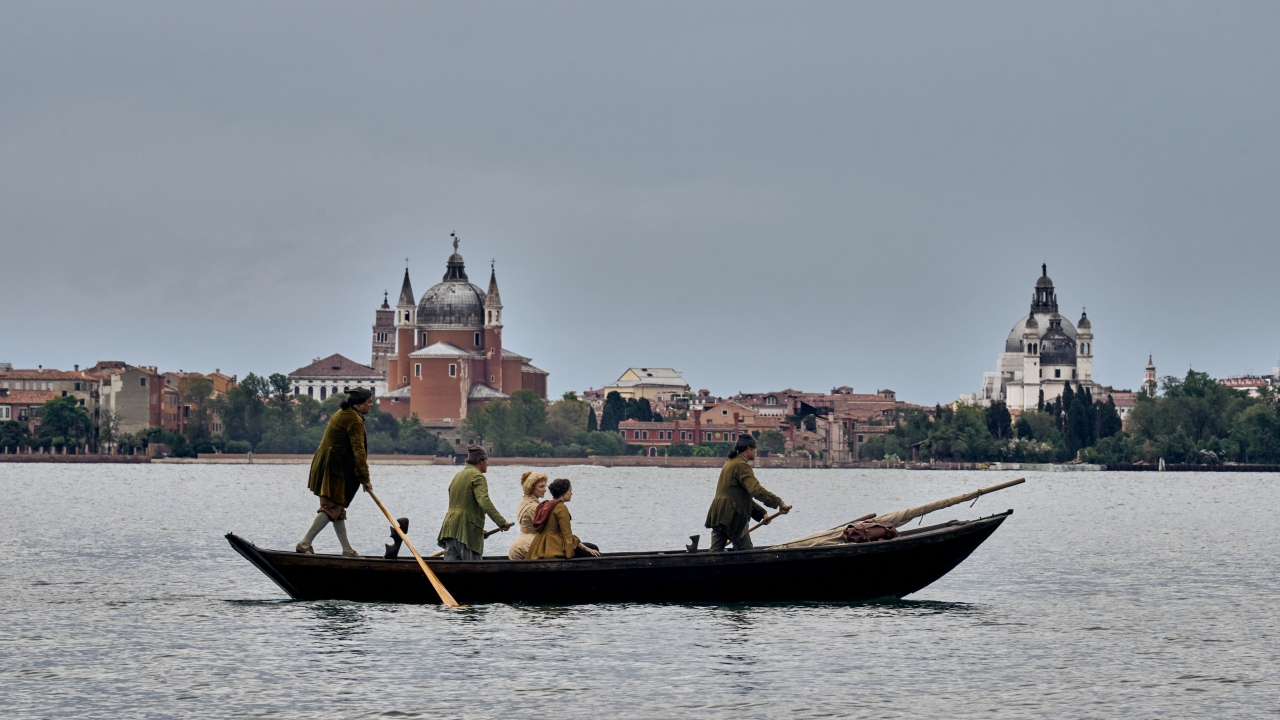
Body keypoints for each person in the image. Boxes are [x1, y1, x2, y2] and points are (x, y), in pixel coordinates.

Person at [297, 387, 375, 557]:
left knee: (337, 509)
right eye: (369, 402)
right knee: (330, 507)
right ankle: (304, 544)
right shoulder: (353, 420)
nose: (371, 405)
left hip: (330, 466)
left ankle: (347, 550)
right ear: (360, 405)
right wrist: (365, 478)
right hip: (333, 469)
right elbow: (358, 450)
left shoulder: (346, 413)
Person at [704, 433, 792, 552]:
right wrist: (779, 503)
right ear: (748, 448)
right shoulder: (741, 466)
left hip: (718, 517)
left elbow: (739, 497)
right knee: (747, 553)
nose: (756, 451)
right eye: (755, 448)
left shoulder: (729, 464)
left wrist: (762, 514)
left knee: (714, 554)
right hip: (732, 518)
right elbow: (756, 489)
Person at [436, 444, 513, 561]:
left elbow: (464, 503)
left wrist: (478, 530)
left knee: (452, 573)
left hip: (450, 529)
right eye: (487, 460)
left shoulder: (458, 476)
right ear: (481, 461)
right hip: (465, 533)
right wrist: (501, 522)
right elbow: (483, 500)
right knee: (474, 571)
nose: (488, 463)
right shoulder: (478, 476)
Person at [527, 478, 601, 560]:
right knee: (595, 553)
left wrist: (586, 548)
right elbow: (567, 535)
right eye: (570, 490)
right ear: (563, 492)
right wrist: (584, 550)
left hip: (540, 546)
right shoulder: (561, 507)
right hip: (554, 547)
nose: (571, 494)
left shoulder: (547, 504)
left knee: (591, 547)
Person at [508, 471, 548, 560]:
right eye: (541, 487)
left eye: (545, 486)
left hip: (519, 544)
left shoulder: (524, 501)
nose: (545, 489)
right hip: (528, 546)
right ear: (531, 488)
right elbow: (545, 529)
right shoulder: (533, 507)